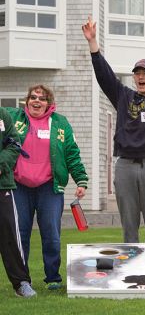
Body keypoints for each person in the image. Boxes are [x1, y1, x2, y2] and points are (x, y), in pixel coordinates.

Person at [82, 8, 145, 271]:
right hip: (125, 164)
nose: (140, 76)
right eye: (137, 72)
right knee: (129, 221)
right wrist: (94, 45)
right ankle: (132, 266)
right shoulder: (123, 96)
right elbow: (104, 76)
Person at [6, 85, 89, 290]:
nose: (36, 101)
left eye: (41, 99)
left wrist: (81, 180)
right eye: (32, 97)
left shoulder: (61, 124)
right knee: (20, 234)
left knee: (51, 234)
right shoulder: (13, 118)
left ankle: (53, 277)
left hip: (49, 188)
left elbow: (71, 153)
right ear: (26, 100)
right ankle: (22, 281)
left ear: (49, 103)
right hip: (18, 187)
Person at [0, 107, 36, 297]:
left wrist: (0, 163)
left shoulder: (2, 115)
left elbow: (14, 144)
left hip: (2, 186)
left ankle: (21, 283)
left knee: (10, 235)